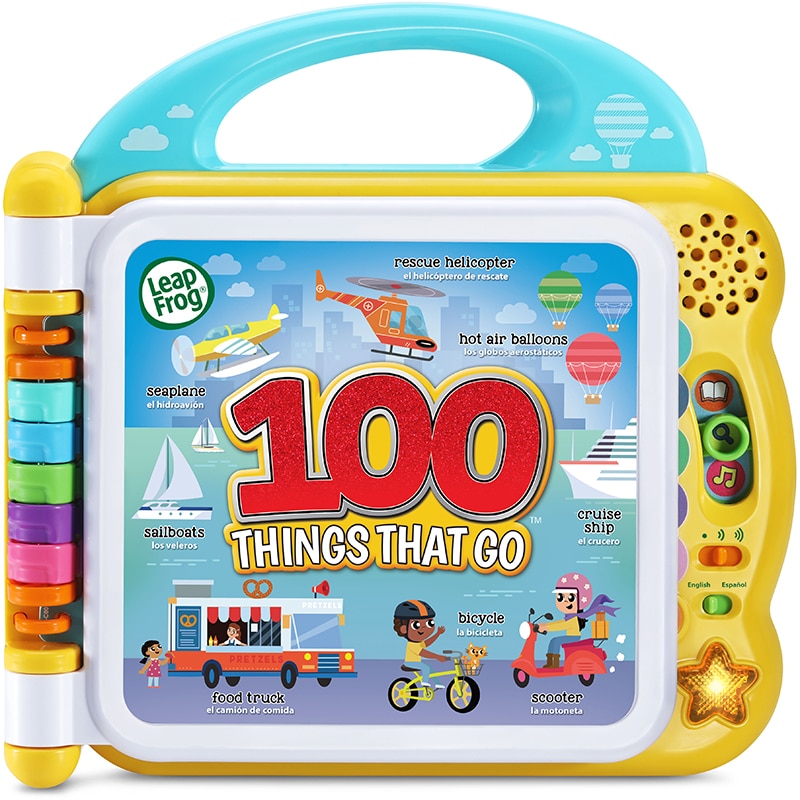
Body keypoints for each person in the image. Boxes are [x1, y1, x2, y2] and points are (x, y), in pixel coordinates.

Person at [537, 573, 618, 668]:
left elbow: (562, 625)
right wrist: (545, 625)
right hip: (572, 636)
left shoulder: (573, 618)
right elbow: (561, 622)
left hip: (574, 637)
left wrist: (546, 627)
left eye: (571, 598)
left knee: (555, 641)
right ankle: (551, 663)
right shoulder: (569, 617)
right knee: (553, 641)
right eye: (560, 597)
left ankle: (554, 664)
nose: (565, 601)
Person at [393, 599, 448, 688]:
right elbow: (423, 652)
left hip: (417, 662)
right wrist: (438, 657)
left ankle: (437, 684)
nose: (424, 628)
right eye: (416, 625)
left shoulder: (418, 642)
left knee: (430, 669)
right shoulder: (412, 644)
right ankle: (424, 682)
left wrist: (437, 633)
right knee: (426, 668)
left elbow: (427, 643)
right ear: (403, 629)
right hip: (410, 663)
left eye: (430, 623)